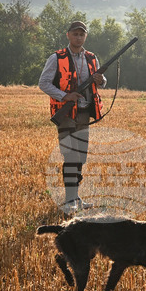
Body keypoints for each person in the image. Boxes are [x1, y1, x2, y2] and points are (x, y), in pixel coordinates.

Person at [39, 20, 107, 215]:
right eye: (75, 34)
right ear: (68, 35)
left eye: (81, 34)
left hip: (85, 113)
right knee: (70, 155)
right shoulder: (56, 58)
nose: (78, 37)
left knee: (80, 157)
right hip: (66, 113)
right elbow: (43, 83)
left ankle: (75, 197)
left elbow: (102, 82)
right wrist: (65, 96)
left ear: (85, 36)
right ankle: (69, 200)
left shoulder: (92, 58)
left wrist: (101, 80)